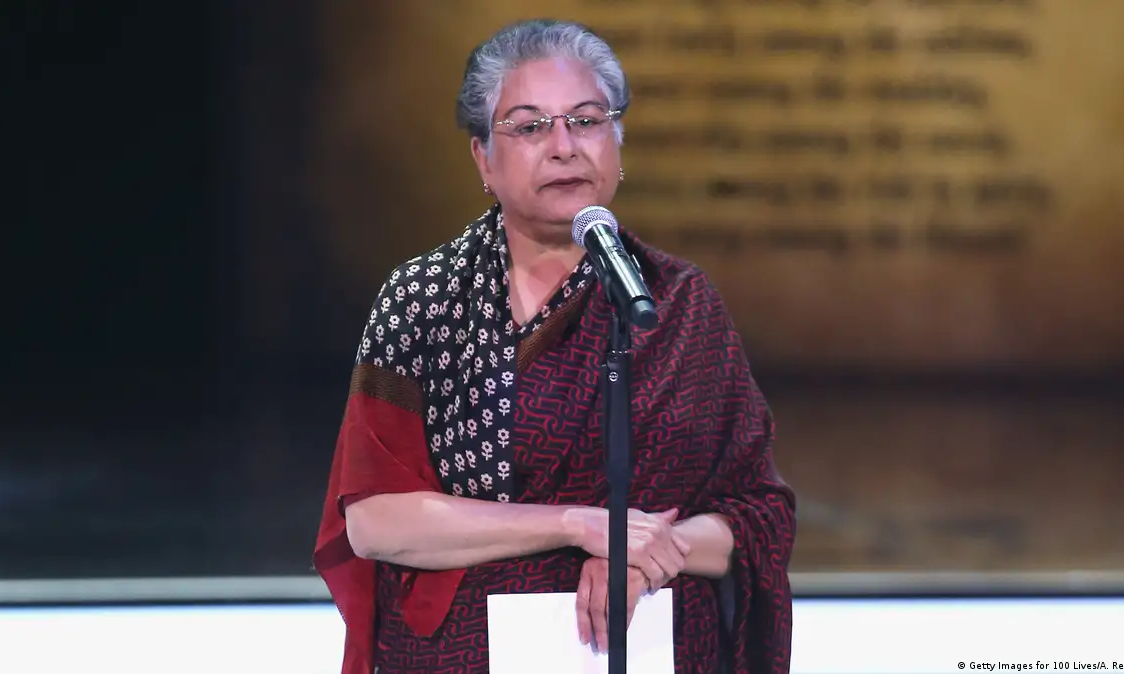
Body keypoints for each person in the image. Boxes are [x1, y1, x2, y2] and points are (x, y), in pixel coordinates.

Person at [313, 18, 796, 674]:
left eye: (587, 120)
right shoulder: (424, 298)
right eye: (530, 126)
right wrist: (579, 525)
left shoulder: (676, 302)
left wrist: (643, 554)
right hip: (464, 654)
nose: (564, 146)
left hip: (649, 645)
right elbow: (373, 521)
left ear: (618, 145)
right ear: (483, 158)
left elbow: (757, 515)